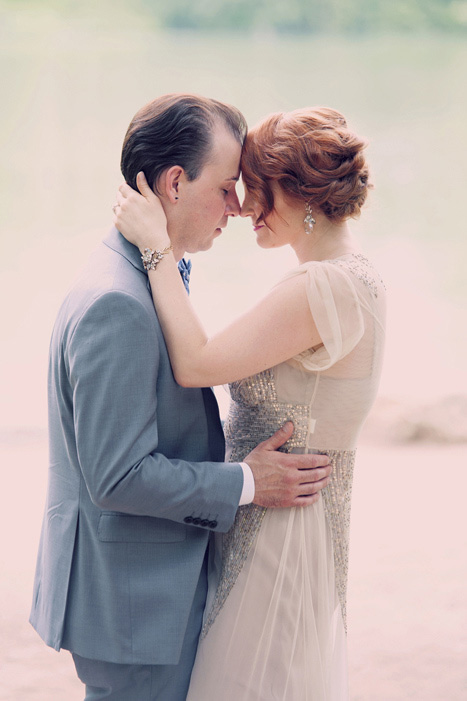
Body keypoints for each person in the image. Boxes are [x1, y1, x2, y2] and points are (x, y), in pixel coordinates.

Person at [29, 94, 332, 701]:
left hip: (139, 594)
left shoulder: (138, 272)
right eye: (225, 188)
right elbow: (117, 477)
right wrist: (247, 483)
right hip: (137, 605)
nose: (238, 208)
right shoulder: (118, 303)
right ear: (174, 182)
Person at [113, 105, 386, 699]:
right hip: (278, 522)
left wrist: (158, 249)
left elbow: (197, 364)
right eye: (233, 187)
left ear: (297, 192)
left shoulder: (325, 286)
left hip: (279, 540)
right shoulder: (351, 277)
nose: (239, 208)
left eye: (253, 189)